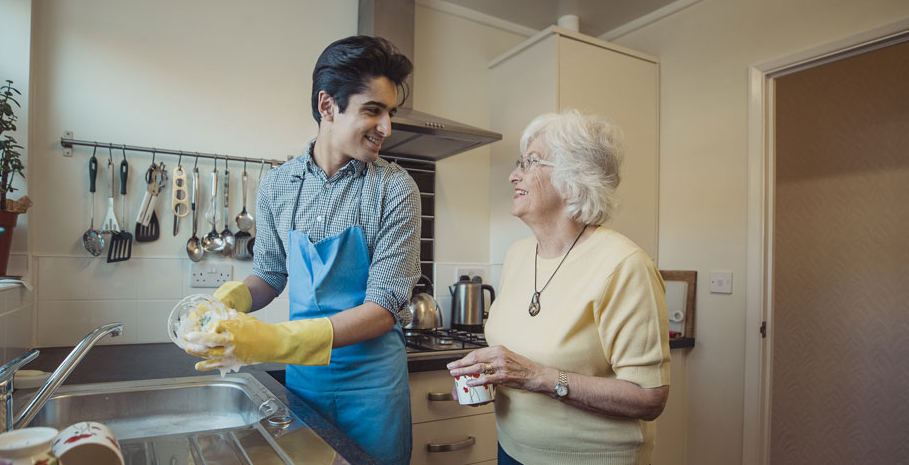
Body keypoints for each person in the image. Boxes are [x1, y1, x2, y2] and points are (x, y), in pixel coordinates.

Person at [184, 35, 420, 465]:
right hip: (304, 383)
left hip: (373, 389)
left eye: (390, 113)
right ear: (327, 105)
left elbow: (384, 306)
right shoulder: (278, 184)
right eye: (373, 110)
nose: (387, 127)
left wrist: (276, 339)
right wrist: (228, 301)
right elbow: (271, 274)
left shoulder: (394, 189)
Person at [447, 110, 671, 465]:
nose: (513, 175)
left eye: (530, 162)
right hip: (512, 450)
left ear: (575, 178)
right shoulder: (518, 254)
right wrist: (494, 375)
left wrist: (538, 377)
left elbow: (649, 398)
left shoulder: (624, 265)